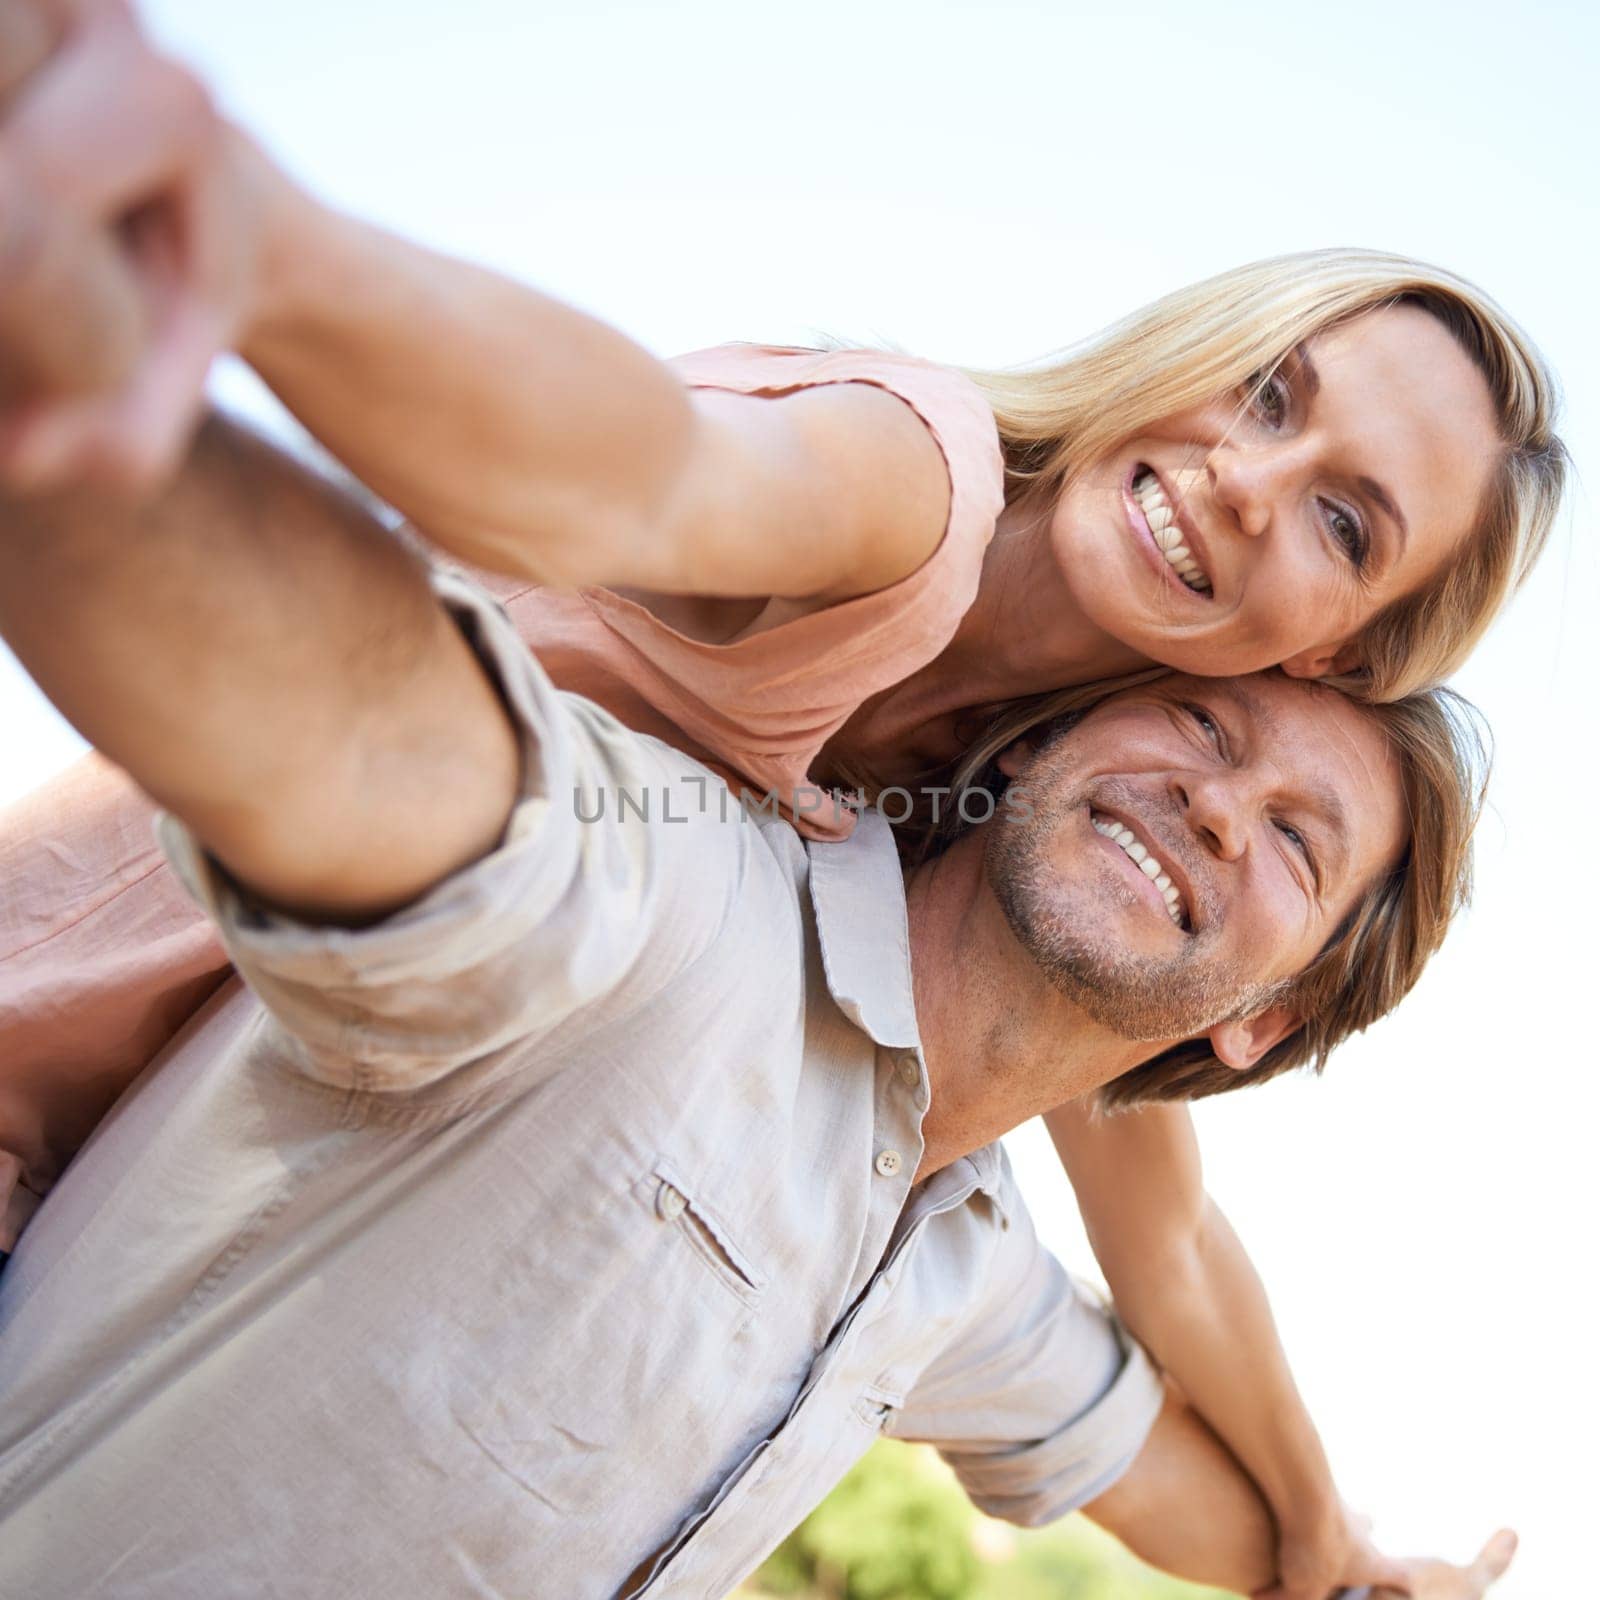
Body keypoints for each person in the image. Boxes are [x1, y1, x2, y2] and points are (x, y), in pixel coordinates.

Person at [0, 5, 1566, 1595]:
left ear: (1343, 660)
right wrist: (250, 234)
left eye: (1347, 525)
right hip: (72, 1006)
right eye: (1271, 391)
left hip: (208, 1132)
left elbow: (1165, 1246)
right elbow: (640, 469)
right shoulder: (917, 489)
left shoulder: (1009, 837)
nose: (1246, 474)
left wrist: (1328, 1547)